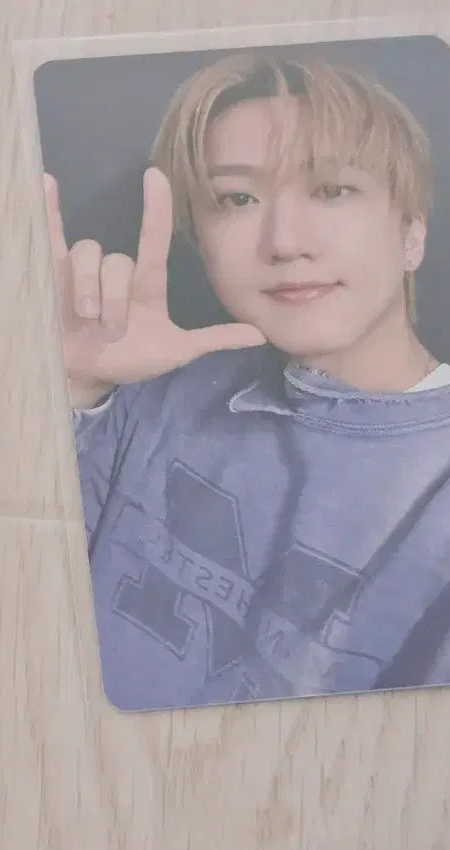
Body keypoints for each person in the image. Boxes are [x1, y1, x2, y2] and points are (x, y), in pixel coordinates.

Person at [45, 49, 450, 712]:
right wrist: (71, 386)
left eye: (331, 189)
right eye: (238, 198)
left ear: (412, 234)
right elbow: (31, 585)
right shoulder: (160, 391)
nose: (285, 241)